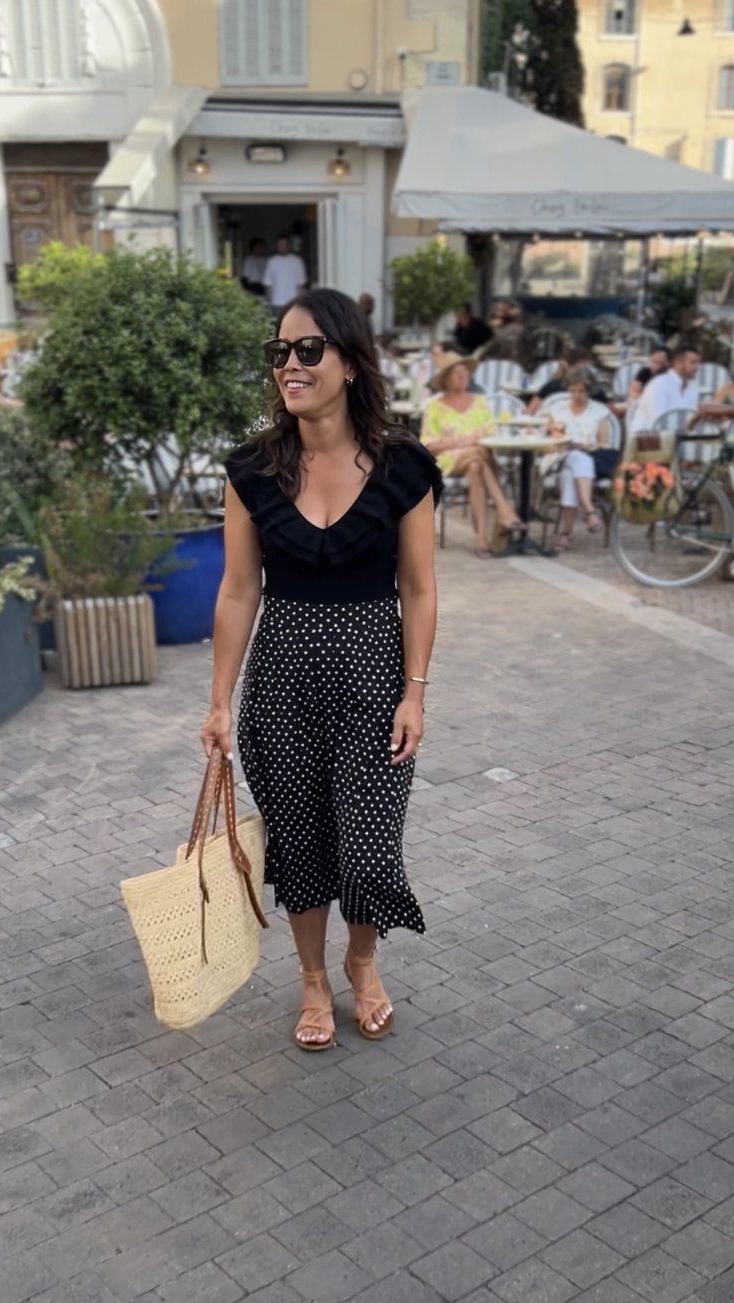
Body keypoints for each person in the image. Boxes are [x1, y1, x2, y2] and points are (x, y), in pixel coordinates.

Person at [201, 288, 440, 1052]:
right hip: (283, 683)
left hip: (375, 677)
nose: (291, 366)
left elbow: (420, 587)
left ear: (348, 359)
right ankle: (311, 980)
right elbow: (239, 590)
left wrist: (416, 690)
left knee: (369, 843)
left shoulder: (404, 466)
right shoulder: (252, 470)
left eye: (308, 351)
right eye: (280, 353)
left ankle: (361, 963)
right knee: (301, 843)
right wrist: (218, 702)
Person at [420, 351, 524, 558]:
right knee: (476, 452)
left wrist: (475, 441)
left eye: (465, 371)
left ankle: (482, 541)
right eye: (456, 373)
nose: (462, 376)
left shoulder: (480, 402)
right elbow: (427, 445)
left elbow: (491, 434)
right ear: (446, 379)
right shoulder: (434, 406)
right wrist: (461, 441)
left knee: (476, 465)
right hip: (447, 460)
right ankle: (504, 510)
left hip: (477, 460)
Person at [542, 368, 613, 551]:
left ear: (589, 391)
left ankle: (566, 534)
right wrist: (563, 445)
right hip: (557, 457)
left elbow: (604, 444)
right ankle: (589, 509)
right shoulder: (557, 410)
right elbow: (545, 441)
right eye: (573, 390)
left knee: (571, 472)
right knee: (574, 456)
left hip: (585, 460)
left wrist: (586, 446)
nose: (577, 395)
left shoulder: (599, 411)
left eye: (581, 391)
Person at [628, 345, 701, 434]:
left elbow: (690, 421)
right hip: (646, 439)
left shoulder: (692, 388)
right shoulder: (659, 384)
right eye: (693, 363)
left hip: (676, 437)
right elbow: (659, 422)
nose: (697, 367)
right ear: (678, 363)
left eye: (698, 363)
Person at [263, 235, 307, 315]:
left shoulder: (297, 261)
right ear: (277, 246)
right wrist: (269, 302)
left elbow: (300, 285)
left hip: (294, 303)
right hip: (276, 303)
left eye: (284, 245)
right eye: (280, 245)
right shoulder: (272, 262)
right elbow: (268, 285)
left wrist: (301, 303)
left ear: (289, 246)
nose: (282, 247)